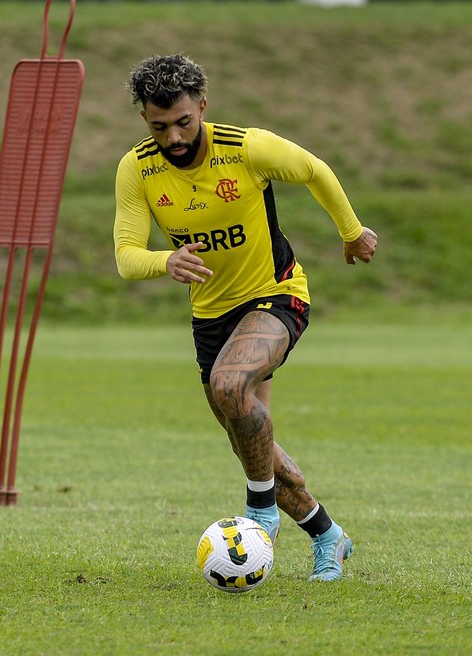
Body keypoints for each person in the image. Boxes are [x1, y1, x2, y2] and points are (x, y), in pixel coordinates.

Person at [113, 54, 377, 582]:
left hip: (274, 295)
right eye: (159, 126)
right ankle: (329, 537)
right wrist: (166, 260)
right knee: (251, 442)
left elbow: (314, 170)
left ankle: (258, 516)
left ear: (202, 107)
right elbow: (125, 256)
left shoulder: (246, 147)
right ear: (145, 119)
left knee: (230, 384)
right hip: (211, 320)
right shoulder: (137, 169)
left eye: (184, 122)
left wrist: (351, 232)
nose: (174, 137)